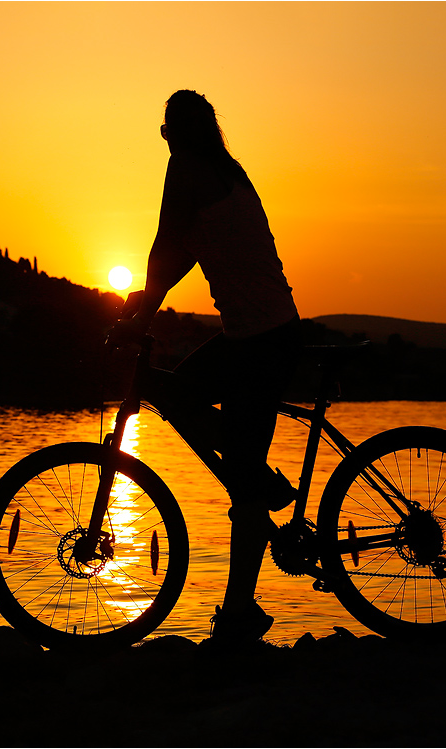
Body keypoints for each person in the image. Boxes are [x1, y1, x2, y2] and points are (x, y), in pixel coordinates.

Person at [111, 89, 301, 643]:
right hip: (260, 332)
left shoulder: (186, 170)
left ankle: (239, 615)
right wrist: (146, 302)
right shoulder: (226, 169)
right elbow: (189, 252)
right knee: (181, 397)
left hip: (260, 340)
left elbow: (166, 242)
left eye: (167, 131)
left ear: (170, 133)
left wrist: (142, 315)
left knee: (242, 482)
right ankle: (258, 481)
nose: (167, 139)